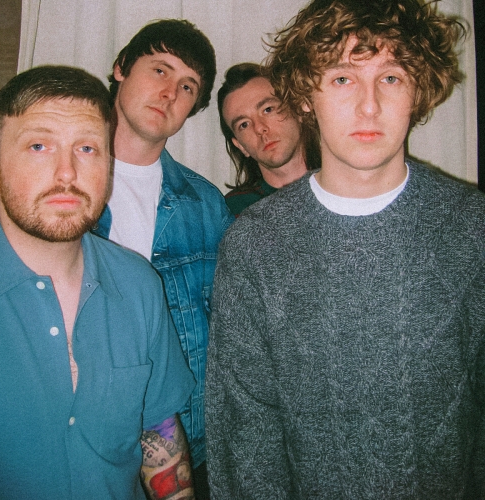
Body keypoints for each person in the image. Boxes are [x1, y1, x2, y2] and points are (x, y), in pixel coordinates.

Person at [205, 0, 485, 497]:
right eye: (341, 78)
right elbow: (246, 443)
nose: (368, 105)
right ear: (305, 98)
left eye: (390, 77)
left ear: (417, 90)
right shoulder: (254, 246)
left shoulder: (471, 227)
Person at [0, 66, 196, 500]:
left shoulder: (139, 284)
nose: (66, 173)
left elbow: (158, 430)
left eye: (86, 148)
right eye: (39, 146)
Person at [92, 19, 233, 498]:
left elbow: (233, 336)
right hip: (88, 453)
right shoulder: (62, 189)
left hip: (191, 451)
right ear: (121, 68)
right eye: (159, 69)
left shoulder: (206, 206)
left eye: (188, 85)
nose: (170, 92)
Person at [218, 63, 319, 217]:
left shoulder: (347, 187)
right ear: (240, 146)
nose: (259, 128)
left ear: (298, 110)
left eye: (268, 110)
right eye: (244, 124)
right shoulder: (232, 212)